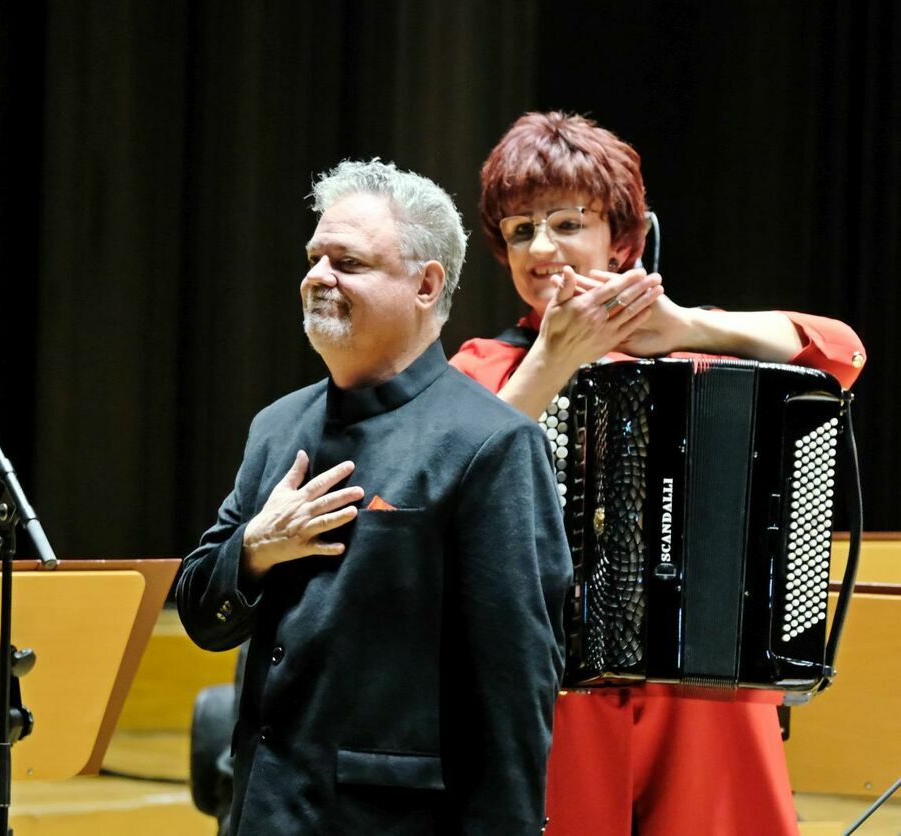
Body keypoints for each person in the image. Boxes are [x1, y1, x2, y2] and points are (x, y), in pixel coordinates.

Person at [450, 111, 867, 836]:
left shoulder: (692, 342)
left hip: (707, 695)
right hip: (555, 693)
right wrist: (550, 364)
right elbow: (459, 482)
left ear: (623, 238)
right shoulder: (484, 367)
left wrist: (692, 328)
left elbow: (840, 354)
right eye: (520, 231)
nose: (542, 247)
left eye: (566, 222)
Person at [175, 159, 573, 834]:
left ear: (426, 284)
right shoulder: (276, 427)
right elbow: (201, 616)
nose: (317, 278)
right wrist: (253, 550)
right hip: (260, 814)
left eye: (349, 262)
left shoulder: (491, 444)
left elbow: (513, 693)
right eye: (314, 257)